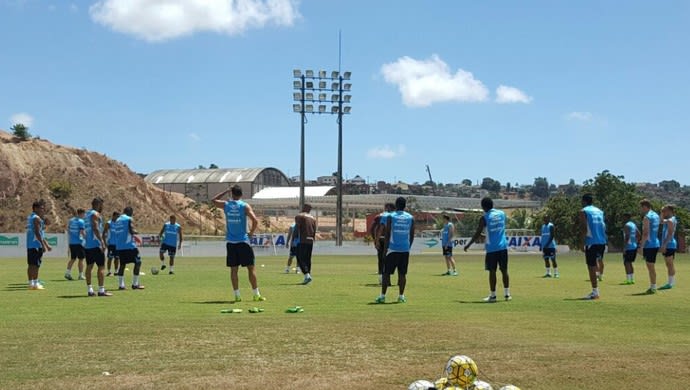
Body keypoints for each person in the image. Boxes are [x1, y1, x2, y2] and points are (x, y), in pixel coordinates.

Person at [212, 185, 265, 302]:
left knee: (234, 270)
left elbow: (213, 200)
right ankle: (256, 294)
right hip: (243, 241)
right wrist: (251, 233)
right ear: (241, 194)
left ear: (232, 194)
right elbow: (255, 221)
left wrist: (226, 190)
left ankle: (237, 295)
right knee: (251, 268)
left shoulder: (226, 205)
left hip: (231, 242)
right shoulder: (244, 206)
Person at [464, 197, 511, 302]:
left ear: (483, 207)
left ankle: (493, 296)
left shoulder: (484, 218)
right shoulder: (502, 214)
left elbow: (477, 233)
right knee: (504, 270)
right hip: (503, 247)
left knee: (492, 271)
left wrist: (468, 245)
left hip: (492, 249)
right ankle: (507, 294)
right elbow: (498, 230)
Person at [375, 196, 414, 304]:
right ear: (405, 206)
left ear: (396, 205)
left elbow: (387, 234)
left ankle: (382, 296)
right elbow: (412, 235)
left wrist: (385, 250)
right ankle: (401, 296)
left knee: (386, 273)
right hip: (405, 250)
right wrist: (408, 247)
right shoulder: (410, 218)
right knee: (402, 274)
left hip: (392, 249)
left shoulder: (391, 217)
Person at [578, 194, 606, 300]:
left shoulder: (583, 211)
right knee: (597, 263)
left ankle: (595, 292)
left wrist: (582, 242)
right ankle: (597, 283)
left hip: (591, 241)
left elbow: (584, 228)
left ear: (584, 201)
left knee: (591, 266)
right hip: (602, 241)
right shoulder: (599, 211)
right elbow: (603, 226)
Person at [83, 198, 112, 297]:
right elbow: (95, 228)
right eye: (102, 205)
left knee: (89, 266)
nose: (102, 207)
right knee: (101, 266)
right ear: (98, 204)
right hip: (96, 244)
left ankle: (90, 289)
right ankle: (101, 290)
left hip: (88, 245)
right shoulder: (95, 214)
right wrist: (102, 242)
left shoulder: (86, 214)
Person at [114, 206, 145, 290]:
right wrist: (136, 232)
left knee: (122, 264)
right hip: (129, 245)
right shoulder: (128, 219)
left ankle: (121, 285)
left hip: (120, 246)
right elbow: (131, 231)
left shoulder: (117, 220)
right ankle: (135, 284)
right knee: (138, 262)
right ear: (130, 212)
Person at [26, 200, 52, 290]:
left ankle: (30, 283)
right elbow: (38, 233)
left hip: (30, 245)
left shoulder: (30, 217)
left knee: (30, 265)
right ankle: (36, 284)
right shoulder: (36, 218)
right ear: (35, 208)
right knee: (36, 265)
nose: (43, 209)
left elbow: (39, 232)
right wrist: (43, 245)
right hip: (36, 244)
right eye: (41, 208)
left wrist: (46, 244)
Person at [639, 199, 660, 294]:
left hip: (649, 245)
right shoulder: (656, 215)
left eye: (641, 208)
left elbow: (645, 233)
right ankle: (653, 286)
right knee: (651, 266)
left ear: (645, 207)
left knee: (650, 267)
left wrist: (641, 247)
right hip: (655, 243)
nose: (641, 210)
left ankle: (653, 287)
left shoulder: (647, 217)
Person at [372, 203, 395, 284]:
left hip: (381, 239)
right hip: (388, 240)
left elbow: (374, 229)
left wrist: (376, 240)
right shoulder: (392, 216)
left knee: (381, 259)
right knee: (389, 259)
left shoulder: (379, 216)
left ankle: (381, 277)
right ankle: (386, 278)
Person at [294, 203, 317, 285]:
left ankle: (307, 275)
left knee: (299, 258)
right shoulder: (313, 218)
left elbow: (297, 228)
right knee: (307, 259)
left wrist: (294, 239)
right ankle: (308, 276)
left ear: (303, 207)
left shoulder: (299, 216)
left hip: (302, 240)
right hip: (310, 240)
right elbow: (314, 230)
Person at [659, 205, 677, 290]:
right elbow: (661, 221)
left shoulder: (670, 220)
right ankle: (672, 282)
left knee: (669, 264)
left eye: (665, 211)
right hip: (669, 244)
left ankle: (670, 283)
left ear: (670, 211)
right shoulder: (671, 219)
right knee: (669, 264)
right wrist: (661, 213)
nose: (664, 212)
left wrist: (664, 245)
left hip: (669, 245)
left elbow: (670, 234)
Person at [65, 208, 86, 281]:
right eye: (84, 214)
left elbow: (68, 230)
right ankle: (81, 275)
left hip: (72, 242)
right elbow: (82, 232)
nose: (84, 216)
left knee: (73, 258)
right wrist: (86, 238)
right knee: (81, 259)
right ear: (81, 213)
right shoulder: (81, 221)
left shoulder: (71, 220)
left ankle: (67, 273)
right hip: (79, 243)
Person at [621, 213, 640, 285]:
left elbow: (627, 236)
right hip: (634, 246)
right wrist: (636, 242)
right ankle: (632, 279)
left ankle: (628, 280)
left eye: (623, 217)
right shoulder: (633, 225)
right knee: (630, 263)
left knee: (626, 263)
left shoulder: (626, 225)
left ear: (626, 217)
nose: (622, 219)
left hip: (629, 247)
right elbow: (638, 235)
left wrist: (625, 247)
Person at [103, 211, 120, 276]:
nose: (118, 218)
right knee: (110, 258)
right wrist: (105, 242)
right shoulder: (109, 223)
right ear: (113, 216)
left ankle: (116, 271)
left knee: (117, 258)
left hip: (118, 244)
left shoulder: (119, 223)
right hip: (111, 244)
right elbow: (104, 233)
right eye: (117, 216)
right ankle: (109, 271)